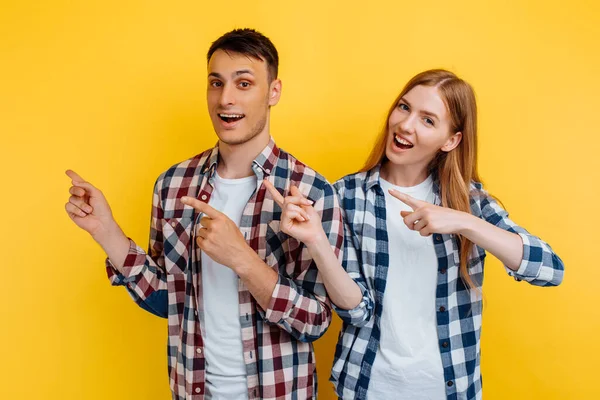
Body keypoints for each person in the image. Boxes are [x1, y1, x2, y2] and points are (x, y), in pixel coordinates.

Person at [65, 28, 344, 400]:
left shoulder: (310, 191)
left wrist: (242, 258)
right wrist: (107, 232)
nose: (226, 99)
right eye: (216, 83)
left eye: (244, 83)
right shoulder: (173, 184)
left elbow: (315, 321)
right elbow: (169, 302)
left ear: (273, 92)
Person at [264, 69, 564, 400]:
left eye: (428, 120)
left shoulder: (469, 201)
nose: (406, 125)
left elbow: (549, 270)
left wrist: (464, 222)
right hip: (367, 387)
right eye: (404, 107)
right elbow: (356, 310)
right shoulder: (345, 195)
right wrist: (318, 242)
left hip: (449, 389)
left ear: (451, 140)